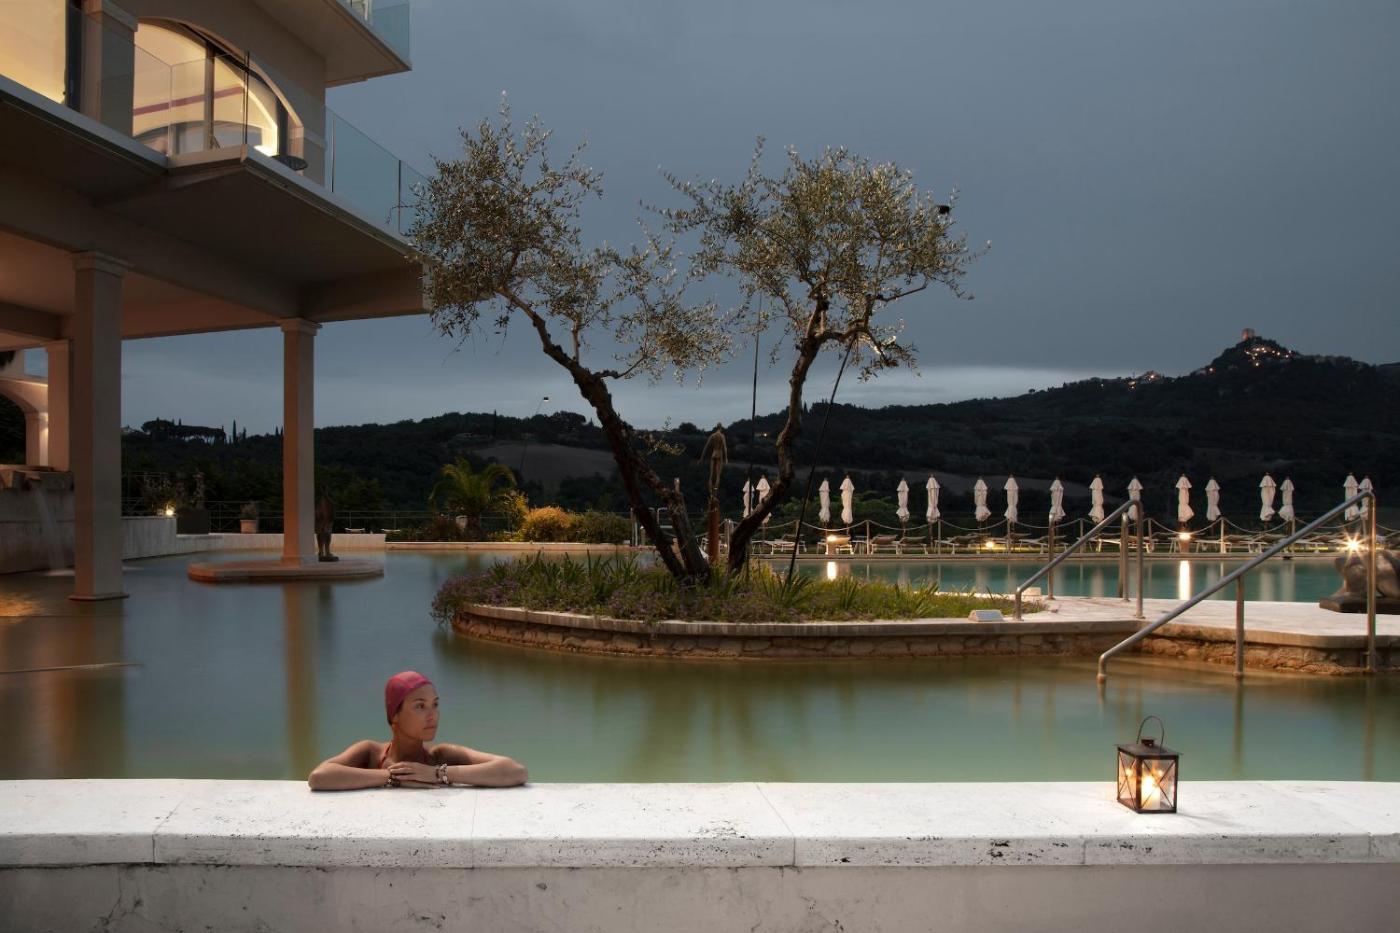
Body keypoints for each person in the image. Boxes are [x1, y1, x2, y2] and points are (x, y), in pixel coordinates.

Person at [307, 671, 528, 790]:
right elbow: (319, 777)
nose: (433, 715)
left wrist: (436, 774)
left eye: (435, 705)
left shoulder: (440, 757)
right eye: (420, 706)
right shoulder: (370, 753)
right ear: (394, 715)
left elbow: (515, 771)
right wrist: (392, 777)